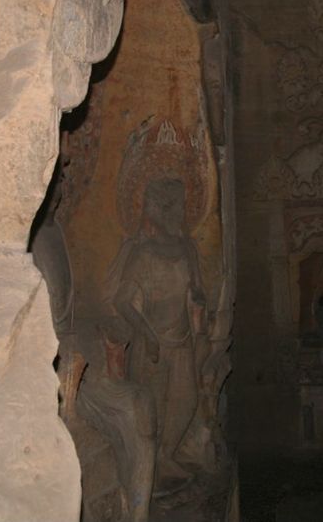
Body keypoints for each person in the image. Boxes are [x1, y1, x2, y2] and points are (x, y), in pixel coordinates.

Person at [111, 177, 206, 494]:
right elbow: (122, 301)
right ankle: (150, 467)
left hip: (181, 341)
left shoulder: (186, 249)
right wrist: (147, 335)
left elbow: (196, 290)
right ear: (155, 210)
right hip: (151, 342)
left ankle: (167, 456)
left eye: (179, 206)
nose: (175, 214)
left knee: (185, 401)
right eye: (169, 207)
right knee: (152, 408)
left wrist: (199, 306)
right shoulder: (144, 254)